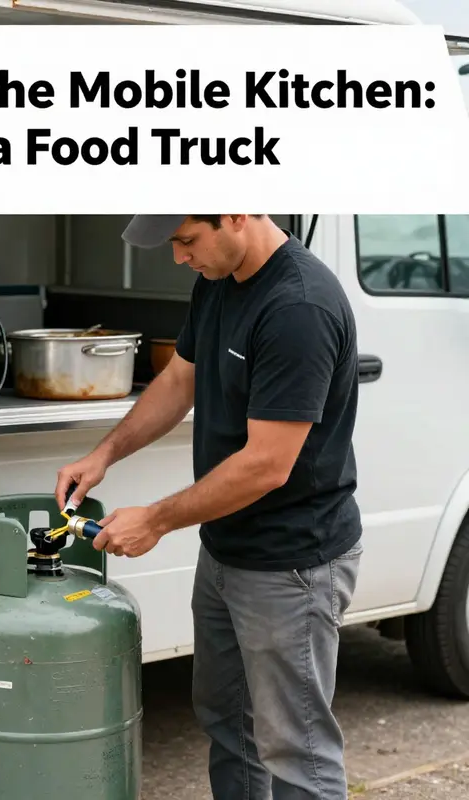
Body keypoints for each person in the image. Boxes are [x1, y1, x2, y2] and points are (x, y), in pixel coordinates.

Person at [54, 214, 363, 800]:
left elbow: (268, 464)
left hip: (290, 566)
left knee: (297, 753)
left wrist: (156, 519)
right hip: (226, 551)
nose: (179, 257)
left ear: (237, 214)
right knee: (230, 727)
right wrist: (104, 455)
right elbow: (178, 381)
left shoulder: (299, 308)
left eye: (187, 239)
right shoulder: (218, 278)